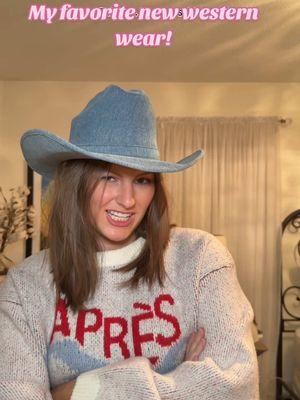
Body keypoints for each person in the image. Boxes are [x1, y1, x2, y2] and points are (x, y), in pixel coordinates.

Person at [0, 85, 259, 400]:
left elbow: (236, 388)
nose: (127, 200)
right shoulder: (25, 286)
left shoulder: (200, 259)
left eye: (142, 180)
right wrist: (181, 384)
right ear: (75, 182)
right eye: (109, 176)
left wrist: (78, 391)